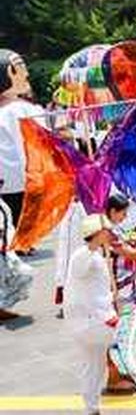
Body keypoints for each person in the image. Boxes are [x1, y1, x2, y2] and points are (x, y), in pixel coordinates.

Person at [64, 214, 118, 415]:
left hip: (96, 318)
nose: (111, 234)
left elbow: (98, 288)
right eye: (107, 231)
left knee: (95, 366)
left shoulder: (97, 255)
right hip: (90, 322)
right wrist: (98, 243)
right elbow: (81, 270)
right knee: (130, 340)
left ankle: (92, 409)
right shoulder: (83, 255)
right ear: (98, 233)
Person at [0, 50, 44, 237]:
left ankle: (16, 239)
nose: (26, 74)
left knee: (10, 211)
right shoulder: (22, 109)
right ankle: (22, 240)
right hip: (22, 173)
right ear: (10, 72)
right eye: (21, 67)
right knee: (20, 209)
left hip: (7, 177)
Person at [0, 198, 32, 321]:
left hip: (6, 247)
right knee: (21, 275)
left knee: (19, 276)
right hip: (3, 249)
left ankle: (2, 308)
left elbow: (8, 225)